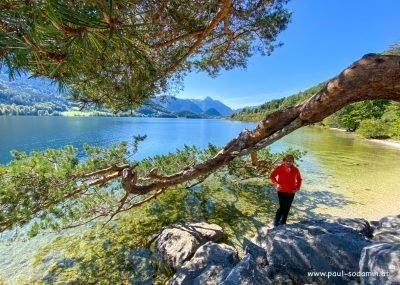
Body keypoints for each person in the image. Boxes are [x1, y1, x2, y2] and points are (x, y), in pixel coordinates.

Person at [270, 154, 302, 226]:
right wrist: (277, 184)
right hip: (281, 191)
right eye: (286, 161)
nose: (288, 162)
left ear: (293, 162)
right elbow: (272, 176)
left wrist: (297, 188)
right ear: (284, 161)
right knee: (282, 207)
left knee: (287, 207)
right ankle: (276, 221)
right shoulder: (279, 168)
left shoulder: (295, 170)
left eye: (290, 161)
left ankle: (283, 222)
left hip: (291, 192)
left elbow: (299, 179)